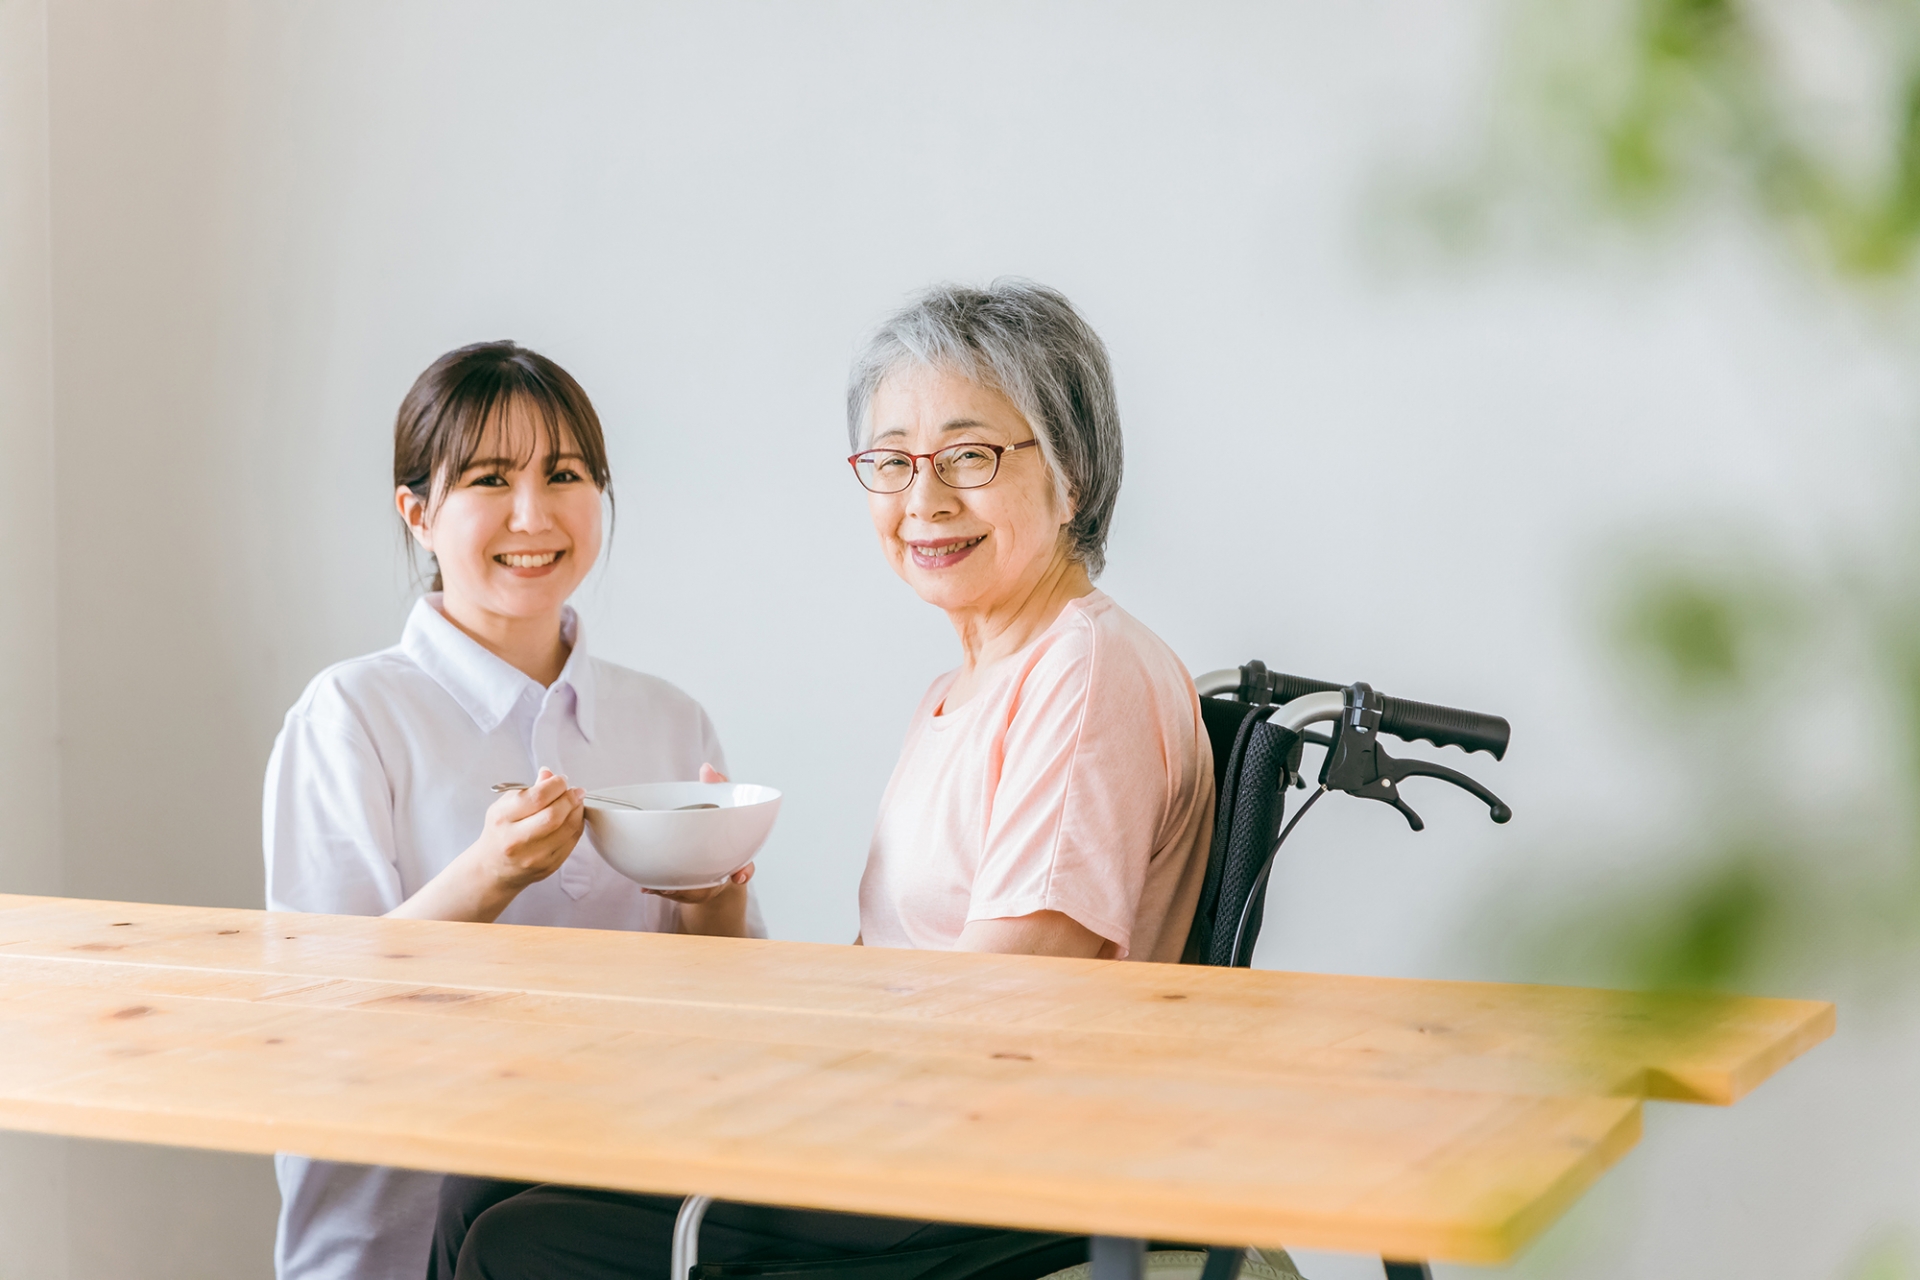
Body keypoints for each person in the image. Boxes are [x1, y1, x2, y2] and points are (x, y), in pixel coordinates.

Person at [434, 280, 1215, 1279]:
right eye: (891, 462)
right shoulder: (967, 683)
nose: (924, 498)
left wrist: (778, 1079)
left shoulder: (1083, 667)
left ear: (1072, 469)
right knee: (482, 1174)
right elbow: (892, 968)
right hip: (918, 1126)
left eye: (969, 456)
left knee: (524, 1240)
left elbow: (1011, 1008)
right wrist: (733, 953)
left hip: (1000, 1164)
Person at [263, 340, 760, 1280]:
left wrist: (713, 897)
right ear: (417, 513)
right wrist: (486, 876)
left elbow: (721, 1017)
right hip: (390, 1240)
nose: (533, 514)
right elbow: (319, 1008)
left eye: (565, 474)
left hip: (600, 1233)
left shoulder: (667, 719)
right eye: (490, 478)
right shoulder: (352, 715)